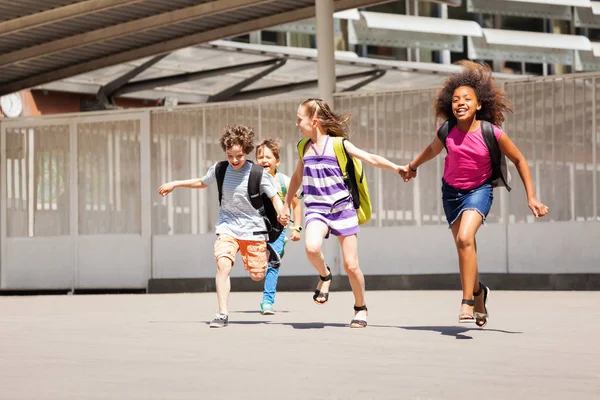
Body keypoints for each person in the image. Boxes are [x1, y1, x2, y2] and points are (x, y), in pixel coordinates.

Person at [402, 61, 549, 327]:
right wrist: (412, 166)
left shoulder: (490, 132)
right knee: (464, 247)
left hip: (478, 191)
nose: (460, 102)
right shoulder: (446, 130)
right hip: (451, 194)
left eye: (467, 99)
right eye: (456, 99)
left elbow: (520, 160)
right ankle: (480, 295)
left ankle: (467, 301)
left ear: (479, 105)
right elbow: (432, 150)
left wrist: (532, 197)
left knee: (465, 238)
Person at [278, 98, 407, 328]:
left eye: (300, 119)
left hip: (343, 209)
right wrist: (287, 203)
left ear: (314, 121)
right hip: (317, 209)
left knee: (351, 265)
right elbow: (297, 177)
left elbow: (370, 158)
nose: (297, 124)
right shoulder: (303, 147)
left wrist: (396, 167)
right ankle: (325, 275)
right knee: (311, 248)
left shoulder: (339, 144)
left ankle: (360, 307)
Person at [158, 124, 283, 328]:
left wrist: (282, 213)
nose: (234, 160)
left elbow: (275, 198)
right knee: (223, 264)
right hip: (227, 227)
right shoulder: (220, 169)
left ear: (247, 151)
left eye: (239, 156)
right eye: (230, 155)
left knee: (258, 275)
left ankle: (269, 254)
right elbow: (201, 182)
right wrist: (175, 184)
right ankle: (222, 313)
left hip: (253, 229)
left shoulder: (258, 173)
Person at [255, 138, 303, 315]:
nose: (264, 160)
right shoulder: (253, 179)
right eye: (260, 157)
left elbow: (297, 205)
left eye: (268, 157)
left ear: (277, 160)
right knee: (258, 267)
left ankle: (267, 301)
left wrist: (297, 228)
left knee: (273, 264)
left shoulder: (285, 181)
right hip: (256, 229)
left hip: (278, 230)